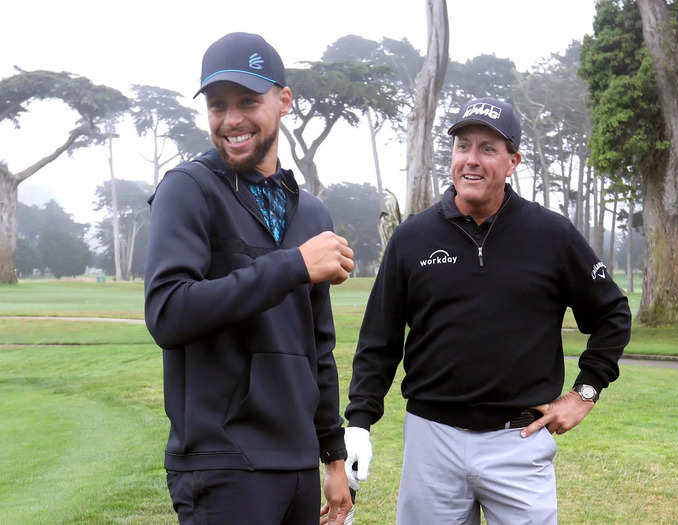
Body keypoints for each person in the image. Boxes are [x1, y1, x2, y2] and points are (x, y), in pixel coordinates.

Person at [343, 97, 632, 524]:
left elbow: (612, 314)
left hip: (519, 440)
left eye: (487, 149)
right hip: (432, 440)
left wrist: (585, 393)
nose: (471, 160)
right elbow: (379, 341)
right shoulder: (413, 238)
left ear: (513, 161)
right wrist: (359, 422)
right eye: (463, 147)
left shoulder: (550, 234)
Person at [144, 32, 353, 525]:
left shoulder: (310, 212)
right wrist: (292, 265)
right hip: (223, 465)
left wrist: (334, 456)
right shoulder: (188, 190)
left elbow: (317, 348)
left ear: (283, 101)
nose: (232, 119)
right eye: (218, 105)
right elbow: (168, 313)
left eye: (248, 101)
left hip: (298, 464)